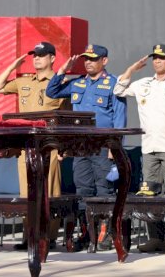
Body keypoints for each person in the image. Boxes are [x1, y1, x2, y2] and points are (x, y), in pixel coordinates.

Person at [114, 44, 165, 253]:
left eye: (163, 58)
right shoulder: (144, 83)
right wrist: (132, 69)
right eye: (155, 58)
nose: (158, 61)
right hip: (150, 146)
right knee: (149, 195)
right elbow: (119, 89)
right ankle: (156, 238)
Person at [46, 44, 127, 250]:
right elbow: (52, 92)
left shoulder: (114, 83)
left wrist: (115, 147)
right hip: (80, 146)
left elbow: (119, 117)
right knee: (83, 190)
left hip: (103, 145)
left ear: (104, 61)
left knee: (104, 189)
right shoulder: (78, 83)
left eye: (93, 59)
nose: (89, 62)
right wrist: (63, 70)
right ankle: (87, 233)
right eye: (86, 59)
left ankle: (105, 233)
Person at [0, 42, 69, 250]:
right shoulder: (24, 81)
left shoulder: (60, 83)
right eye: (35, 55)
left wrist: (64, 146)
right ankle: (30, 236)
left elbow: (67, 118)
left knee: (50, 190)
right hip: (26, 145)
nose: (37, 59)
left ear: (52, 58)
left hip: (49, 145)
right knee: (28, 192)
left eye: (42, 55)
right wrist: (12, 67)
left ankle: (49, 237)